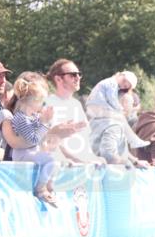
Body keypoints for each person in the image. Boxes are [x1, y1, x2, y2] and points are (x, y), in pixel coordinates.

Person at [9, 77, 59, 205]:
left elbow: (43, 133)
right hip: (22, 155)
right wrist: (44, 122)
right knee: (51, 161)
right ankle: (40, 188)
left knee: (55, 161)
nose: (43, 105)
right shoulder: (21, 118)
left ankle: (48, 186)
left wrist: (47, 120)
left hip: (31, 153)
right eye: (41, 102)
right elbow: (33, 139)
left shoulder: (31, 116)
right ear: (32, 101)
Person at [45, 59, 102, 164]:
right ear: (58, 79)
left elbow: (85, 139)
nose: (78, 78)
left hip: (82, 167)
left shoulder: (76, 104)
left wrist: (94, 157)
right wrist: (77, 160)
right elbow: (50, 140)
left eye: (79, 74)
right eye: (72, 75)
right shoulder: (48, 103)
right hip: (62, 167)